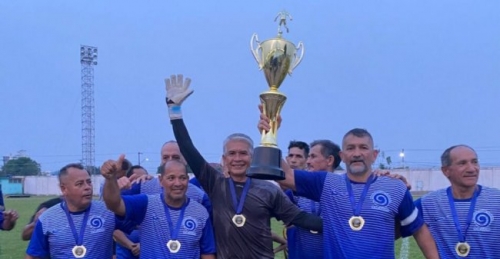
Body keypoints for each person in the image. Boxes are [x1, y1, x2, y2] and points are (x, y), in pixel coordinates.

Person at [165, 74, 322, 259]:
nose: (237, 159)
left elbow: (300, 218)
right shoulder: (215, 184)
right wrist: (175, 111)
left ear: (252, 157)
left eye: (243, 153)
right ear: (224, 159)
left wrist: (343, 223)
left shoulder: (268, 190)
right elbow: (188, 149)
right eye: (232, 154)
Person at [276, 128, 439, 259]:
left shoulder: (395, 187)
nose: (356, 153)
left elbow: (419, 229)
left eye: (363, 147)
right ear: (342, 156)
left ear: (374, 155)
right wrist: (271, 134)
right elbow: (286, 175)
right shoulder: (326, 183)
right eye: (350, 148)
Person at [102, 156, 216, 259]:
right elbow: (114, 204)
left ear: (187, 179)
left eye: (182, 178)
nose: (178, 183)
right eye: (171, 178)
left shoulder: (200, 212)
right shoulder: (146, 204)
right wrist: (110, 179)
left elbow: (207, 254)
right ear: (161, 180)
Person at [415, 145, 500, 258]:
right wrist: (394, 182)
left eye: (474, 162)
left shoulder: (497, 199)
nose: (471, 169)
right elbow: (391, 223)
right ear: (446, 171)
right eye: (462, 163)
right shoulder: (429, 203)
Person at [25, 163, 126, 259]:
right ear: (64, 189)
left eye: (89, 182)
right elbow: (33, 255)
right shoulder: (47, 218)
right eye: (80, 184)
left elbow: (137, 225)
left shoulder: (108, 211)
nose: (87, 187)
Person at [284, 140, 340, 259]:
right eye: (308, 157)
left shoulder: (344, 191)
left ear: (329, 160)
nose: (308, 161)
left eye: (313, 157)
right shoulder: (294, 193)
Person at [114, 165, 149, 259]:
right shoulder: (121, 200)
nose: (141, 181)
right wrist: (131, 246)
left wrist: (143, 245)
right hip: (125, 252)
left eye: (144, 177)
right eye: (137, 179)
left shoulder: (151, 200)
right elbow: (114, 229)